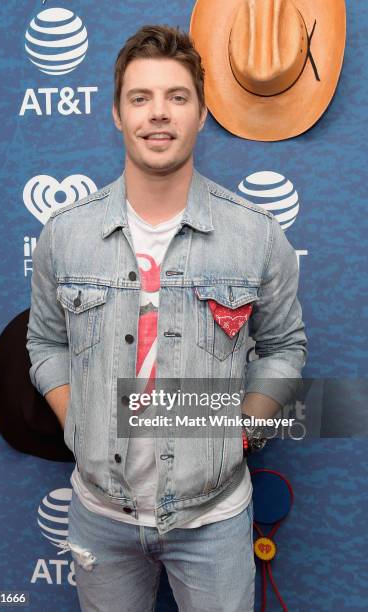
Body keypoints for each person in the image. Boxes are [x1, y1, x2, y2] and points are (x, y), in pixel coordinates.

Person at [26, 24, 307, 612]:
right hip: (100, 516)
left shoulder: (255, 236)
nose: (159, 114)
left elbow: (284, 348)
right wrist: (77, 420)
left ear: (202, 113)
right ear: (116, 113)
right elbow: (46, 341)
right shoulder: (65, 235)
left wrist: (241, 428)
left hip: (215, 517)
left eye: (177, 97)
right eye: (141, 98)